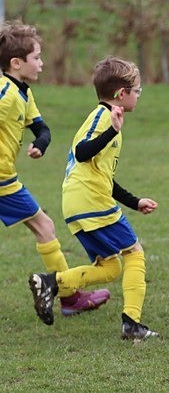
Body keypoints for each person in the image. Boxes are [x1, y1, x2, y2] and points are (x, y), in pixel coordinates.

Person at [28, 56, 160, 341]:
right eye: (137, 90)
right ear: (121, 93)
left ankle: (52, 282)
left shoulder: (105, 119)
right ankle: (132, 323)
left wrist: (135, 202)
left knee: (110, 267)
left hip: (79, 203)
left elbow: (103, 177)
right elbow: (82, 152)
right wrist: (112, 130)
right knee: (134, 253)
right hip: (90, 201)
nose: (139, 95)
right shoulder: (103, 117)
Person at [0, 21, 110, 322]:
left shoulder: (23, 93)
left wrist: (40, 143)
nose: (42, 63)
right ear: (16, 63)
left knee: (44, 227)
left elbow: (42, 128)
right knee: (44, 226)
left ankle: (69, 297)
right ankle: (70, 297)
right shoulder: (5, 93)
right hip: (2, 181)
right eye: (36, 57)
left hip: (6, 179)